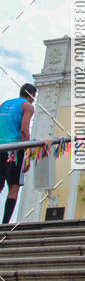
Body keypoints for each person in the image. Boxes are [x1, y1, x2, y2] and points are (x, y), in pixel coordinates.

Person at [0, 83, 37, 225]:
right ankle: (4, 224)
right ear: (32, 94)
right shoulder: (27, 106)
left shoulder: (3, 104)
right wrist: (27, 155)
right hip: (15, 149)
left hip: (0, 147)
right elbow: (24, 130)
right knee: (14, 187)